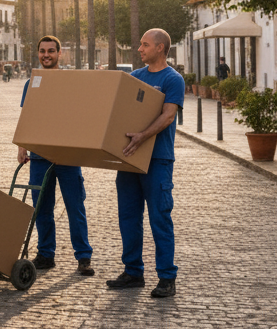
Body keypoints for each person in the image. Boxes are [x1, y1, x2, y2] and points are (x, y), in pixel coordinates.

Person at [106, 28, 185, 298]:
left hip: (157, 159)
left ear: (160, 48)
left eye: (145, 44)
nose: (139, 49)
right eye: (140, 44)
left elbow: (168, 116)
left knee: (159, 218)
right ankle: (133, 272)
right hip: (128, 157)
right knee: (128, 217)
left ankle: (167, 278)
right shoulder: (134, 78)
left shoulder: (173, 80)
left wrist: (142, 137)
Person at [16, 35, 95, 276]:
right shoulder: (32, 83)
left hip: (68, 157)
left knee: (75, 207)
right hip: (39, 156)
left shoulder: (70, 81)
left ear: (60, 54)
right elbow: (27, 117)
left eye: (51, 51)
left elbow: (82, 117)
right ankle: (46, 254)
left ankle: (83, 257)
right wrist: (21, 146)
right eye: (43, 51)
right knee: (41, 208)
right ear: (38, 53)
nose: (46, 55)